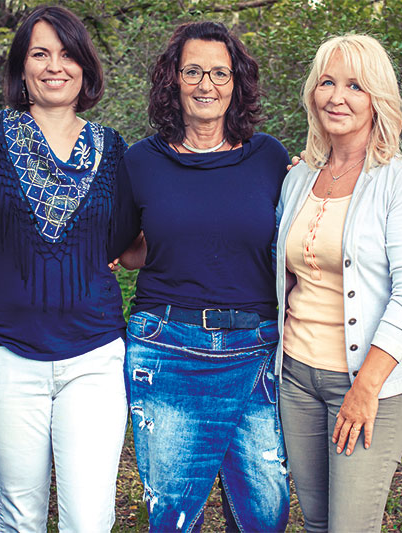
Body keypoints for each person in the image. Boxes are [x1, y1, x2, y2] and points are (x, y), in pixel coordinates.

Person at [112, 21, 291, 532]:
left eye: (219, 72)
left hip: (257, 350)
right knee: (172, 519)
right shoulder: (141, 161)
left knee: (264, 517)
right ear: (174, 79)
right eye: (193, 71)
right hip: (168, 349)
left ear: (237, 83)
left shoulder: (271, 159)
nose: (206, 84)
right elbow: (128, 251)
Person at [0, 6, 128, 532]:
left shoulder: (112, 147)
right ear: (22, 67)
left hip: (94, 357)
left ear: (85, 66)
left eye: (67, 53)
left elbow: (123, 237)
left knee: (88, 518)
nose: (55, 66)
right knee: (20, 517)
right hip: (6, 355)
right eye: (40, 54)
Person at [274, 34, 402, 532]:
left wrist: (367, 386)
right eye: (327, 82)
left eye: (355, 86)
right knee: (318, 522)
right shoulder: (298, 177)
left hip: (368, 385)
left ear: (378, 100)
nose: (336, 97)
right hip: (295, 377)